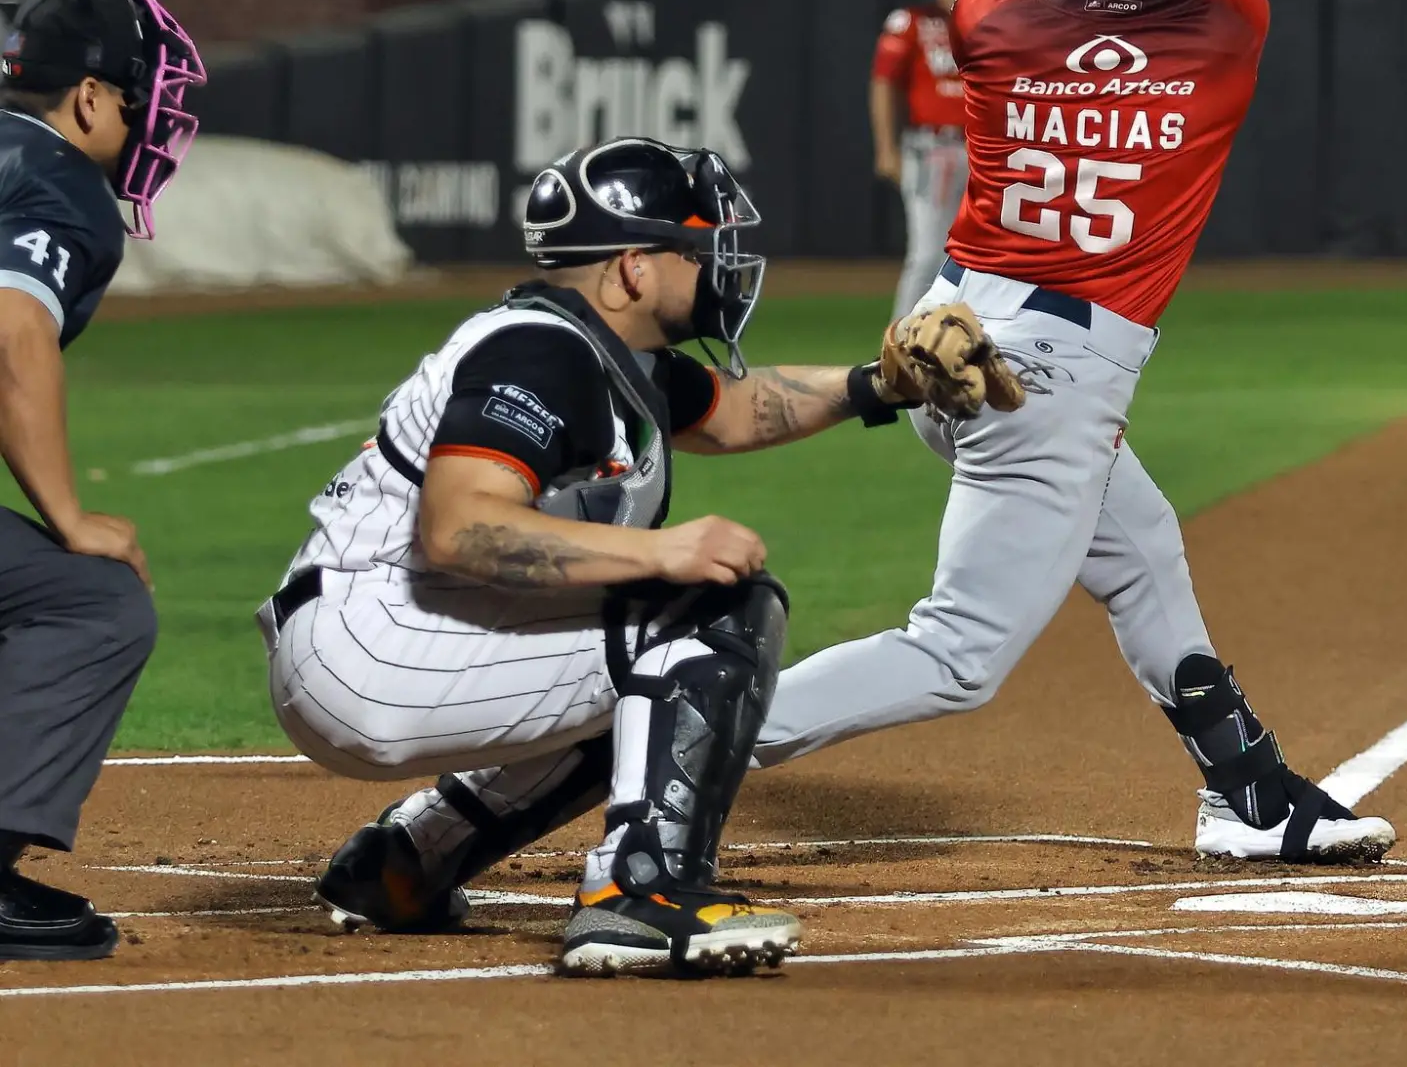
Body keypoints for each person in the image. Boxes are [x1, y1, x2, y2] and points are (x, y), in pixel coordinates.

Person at [752, 0, 1398, 866]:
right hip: (1043, 386)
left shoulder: (992, 21)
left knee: (1143, 553)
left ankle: (1245, 792)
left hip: (945, 345)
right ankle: (666, 731)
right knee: (957, 654)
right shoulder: (1228, 25)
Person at [267, 138, 1013, 977]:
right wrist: (660, 549)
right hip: (374, 646)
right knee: (715, 613)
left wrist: (880, 383)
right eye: (694, 250)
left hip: (392, 634)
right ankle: (641, 894)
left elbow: (739, 410)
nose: (717, 266)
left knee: (651, 691)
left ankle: (406, 861)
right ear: (632, 269)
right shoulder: (541, 353)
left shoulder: (602, 353)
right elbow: (459, 526)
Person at [0, 0, 205, 961]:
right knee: (91, 601)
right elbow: (12, 334)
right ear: (88, 98)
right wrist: (69, 514)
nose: (151, 124)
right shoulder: (59, 181)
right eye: (138, 99)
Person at [871, 0, 986, 319]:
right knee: (927, 255)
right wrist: (886, 148)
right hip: (931, 148)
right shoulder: (913, 22)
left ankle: (960, 339)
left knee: (978, 258)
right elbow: (883, 83)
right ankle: (900, 342)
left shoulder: (992, 25)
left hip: (981, 153)